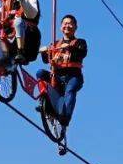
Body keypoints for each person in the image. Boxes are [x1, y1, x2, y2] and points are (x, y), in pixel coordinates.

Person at [37, 14, 87, 155]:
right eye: (65, 23)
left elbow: (81, 53)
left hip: (72, 76)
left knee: (70, 91)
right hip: (57, 76)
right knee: (40, 73)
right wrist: (44, 52)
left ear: (75, 27)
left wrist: (70, 48)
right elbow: (47, 61)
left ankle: (65, 118)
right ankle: (46, 104)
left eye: (70, 24)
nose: (67, 26)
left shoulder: (79, 42)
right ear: (60, 27)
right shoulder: (56, 44)